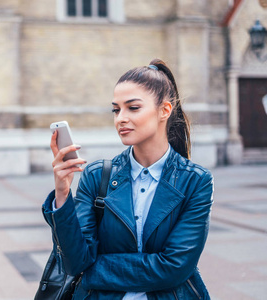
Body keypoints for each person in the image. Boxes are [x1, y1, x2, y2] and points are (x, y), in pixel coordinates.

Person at [43, 59, 213, 299]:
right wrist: (62, 195)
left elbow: (174, 267)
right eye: (116, 109)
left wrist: (93, 271)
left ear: (164, 110)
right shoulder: (97, 176)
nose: (120, 118)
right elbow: (76, 262)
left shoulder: (195, 181)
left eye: (133, 108)